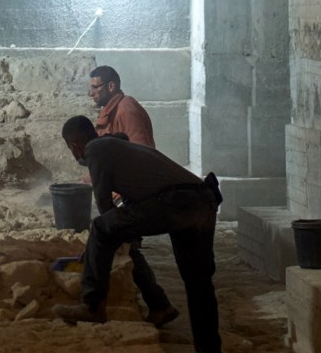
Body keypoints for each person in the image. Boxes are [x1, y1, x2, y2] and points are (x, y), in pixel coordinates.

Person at [53, 115, 222, 352]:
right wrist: (102, 250)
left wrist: (101, 248)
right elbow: (136, 202)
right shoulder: (119, 147)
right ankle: (209, 349)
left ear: (74, 146)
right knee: (198, 284)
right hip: (202, 200)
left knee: (101, 227)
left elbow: (105, 209)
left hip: (175, 202)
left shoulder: (95, 149)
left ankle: (92, 306)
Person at [86, 65, 172, 327]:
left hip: (134, 196)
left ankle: (158, 305)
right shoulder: (109, 112)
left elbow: (142, 155)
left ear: (111, 86)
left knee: (124, 245)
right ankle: (159, 305)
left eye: (96, 87)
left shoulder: (127, 109)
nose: (91, 93)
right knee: (128, 249)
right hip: (123, 195)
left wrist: (123, 196)